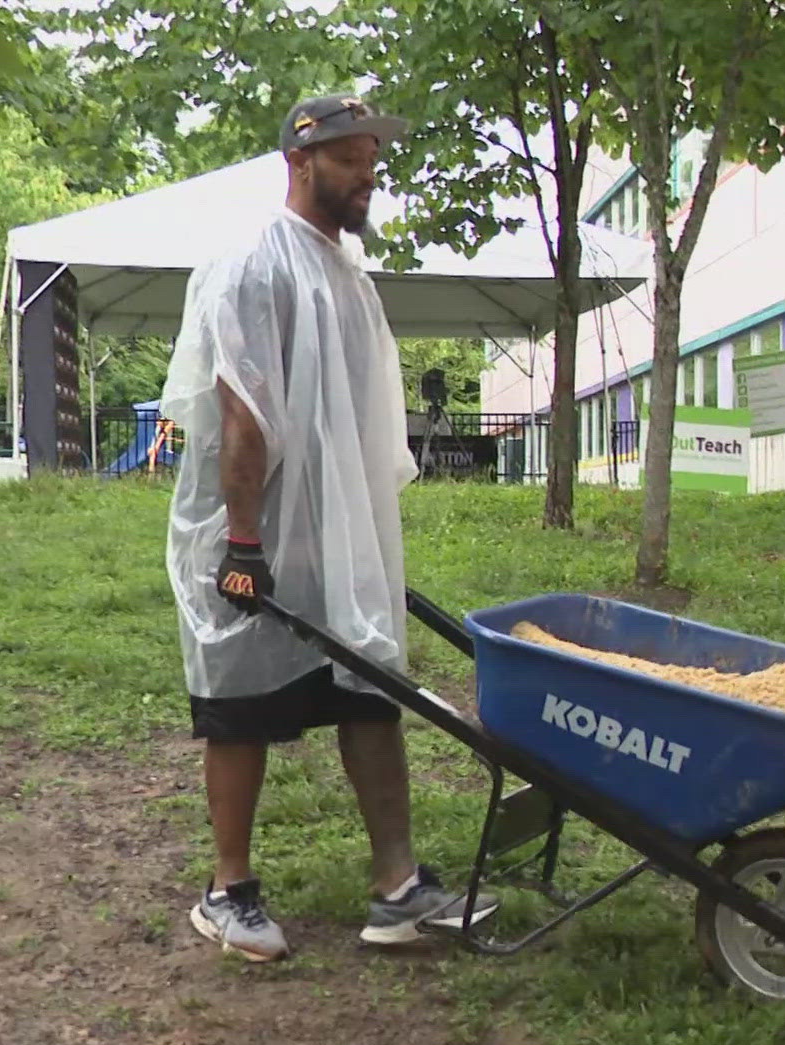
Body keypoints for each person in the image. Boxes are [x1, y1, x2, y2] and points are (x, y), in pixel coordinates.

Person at [158, 95, 500, 962]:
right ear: (301, 161)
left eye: (375, 155)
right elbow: (242, 413)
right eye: (352, 157)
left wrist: (355, 527)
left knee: (368, 685)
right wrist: (243, 542)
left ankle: (398, 889)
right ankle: (226, 890)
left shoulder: (346, 273)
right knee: (239, 702)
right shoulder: (253, 263)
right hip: (257, 525)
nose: (371, 172)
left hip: (336, 525)